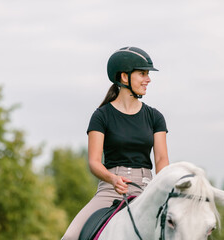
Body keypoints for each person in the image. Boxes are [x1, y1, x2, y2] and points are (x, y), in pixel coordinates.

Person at [62, 46, 169, 240]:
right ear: (124, 77)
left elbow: (161, 160)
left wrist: (165, 188)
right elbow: (94, 162)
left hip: (147, 188)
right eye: (142, 73)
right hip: (110, 188)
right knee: (70, 237)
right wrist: (112, 179)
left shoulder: (155, 117)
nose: (148, 79)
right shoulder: (101, 116)